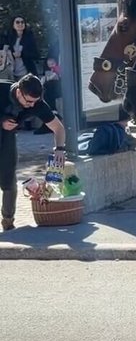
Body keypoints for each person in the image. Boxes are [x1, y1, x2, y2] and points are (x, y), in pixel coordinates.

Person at [1, 74, 67, 231]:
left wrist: (59, 149)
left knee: (9, 176)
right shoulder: (2, 89)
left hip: (7, 136)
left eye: (35, 102)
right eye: (29, 101)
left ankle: (8, 220)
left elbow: (58, 128)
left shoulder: (37, 104)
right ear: (19, 92)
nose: (31, 105)